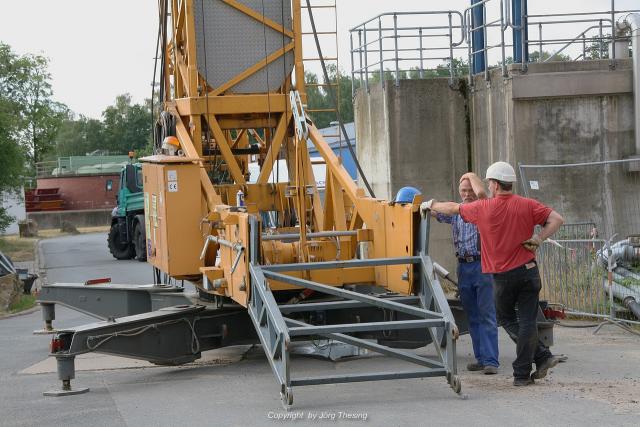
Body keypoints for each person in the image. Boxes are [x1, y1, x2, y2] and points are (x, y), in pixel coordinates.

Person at [420, 161, 564, 386]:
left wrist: (432, 204)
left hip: (504, 276)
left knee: (506, 318)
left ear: (495, 185)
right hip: (529, 272)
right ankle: (527, 370)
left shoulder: (484, 208)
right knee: (527, 321)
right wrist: (538, 238)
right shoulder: (528, 204)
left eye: (490, 183)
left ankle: (536, 359)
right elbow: (557, 219)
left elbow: (453, 208)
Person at [434, 177, 499, 375]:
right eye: (463, 190)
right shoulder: (456, 211)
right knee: (472, 315)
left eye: (470, 190)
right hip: (463, 266)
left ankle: (491, 361)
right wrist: (424, 205)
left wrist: (471, 175)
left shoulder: (483, 208)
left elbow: (483, 196)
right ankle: (480, 358)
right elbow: (437, 212)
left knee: (486, 313)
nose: (467, 194)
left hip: (482, 265)